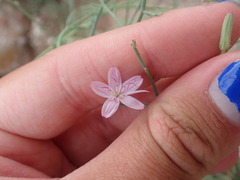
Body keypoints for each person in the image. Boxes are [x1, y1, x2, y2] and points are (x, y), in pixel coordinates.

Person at [0, 1, 240, 180]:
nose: (115, 94)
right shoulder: (114, 101)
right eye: (114, 94)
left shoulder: (117, 97)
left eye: (116, 93)